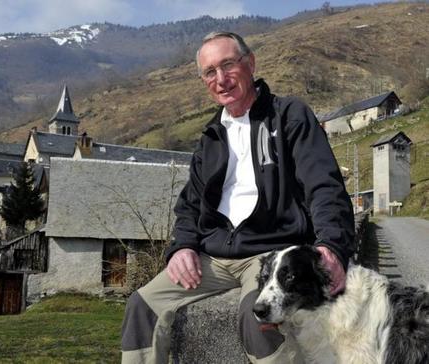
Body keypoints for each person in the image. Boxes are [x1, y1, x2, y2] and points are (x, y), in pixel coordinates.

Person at [121, 31, 355, 363]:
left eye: (228, 65)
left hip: (268, 252)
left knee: (258, 317)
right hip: (212, 256)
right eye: (210, 72)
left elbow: (325, 186)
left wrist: (332, 246)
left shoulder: (290, 116)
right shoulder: (211, 136)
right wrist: (183, 246)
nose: (221, 79)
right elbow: (190, 203)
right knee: (141, 307)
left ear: (250, 63)